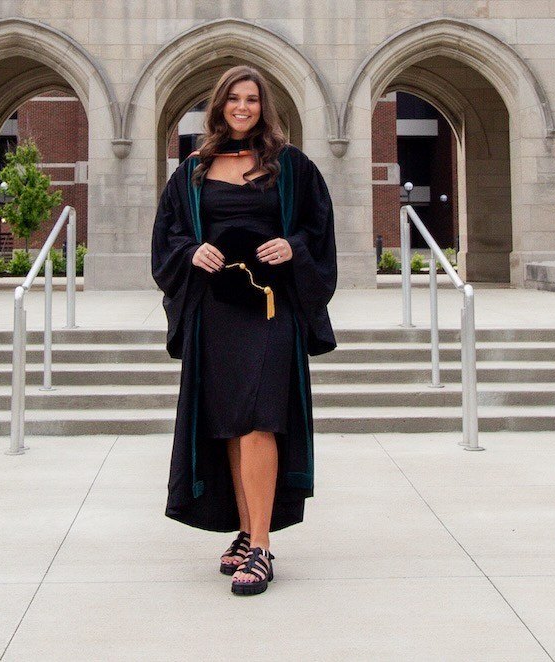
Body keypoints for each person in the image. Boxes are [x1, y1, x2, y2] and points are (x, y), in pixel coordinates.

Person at [151, 65, 337, 596]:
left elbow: (317, 231)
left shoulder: (291, 167)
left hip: (271, 309)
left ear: (264, 106)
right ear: (218, 106)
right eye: (233, 98)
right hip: (216, 311)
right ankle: (243, 529)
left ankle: (262, 545)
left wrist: (291, 246)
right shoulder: (192, 171)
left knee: (260, 418)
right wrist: (193, 250)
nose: (242, 107)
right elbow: (168, 238)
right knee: (232, 422)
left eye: (252, 98)